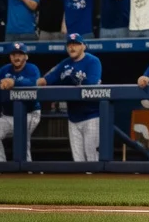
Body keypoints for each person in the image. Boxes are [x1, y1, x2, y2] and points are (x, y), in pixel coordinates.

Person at [38, 33, 102, 161]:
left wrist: (72, 79)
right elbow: (46, 79)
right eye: (70, 45)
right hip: (73, 117)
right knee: (78, 160)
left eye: (76, 44)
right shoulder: (64, 64)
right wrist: (36, 81)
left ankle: (97, 181)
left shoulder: (93, 61)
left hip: (92, 116)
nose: (72, 47)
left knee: (92, 159)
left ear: (83, 46)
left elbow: (91, 84)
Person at [0, 42, 41, 162]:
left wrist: (13, 82)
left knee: (22, 135)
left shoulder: (32, 68)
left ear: (26, 56)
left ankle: (26, 168)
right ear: (10, 57)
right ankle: (1, 165)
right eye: (13, 54)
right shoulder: (4, 70)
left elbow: (34, 83)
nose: (16, 57)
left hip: (29, 113)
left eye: (20, 54)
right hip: (7, 115)